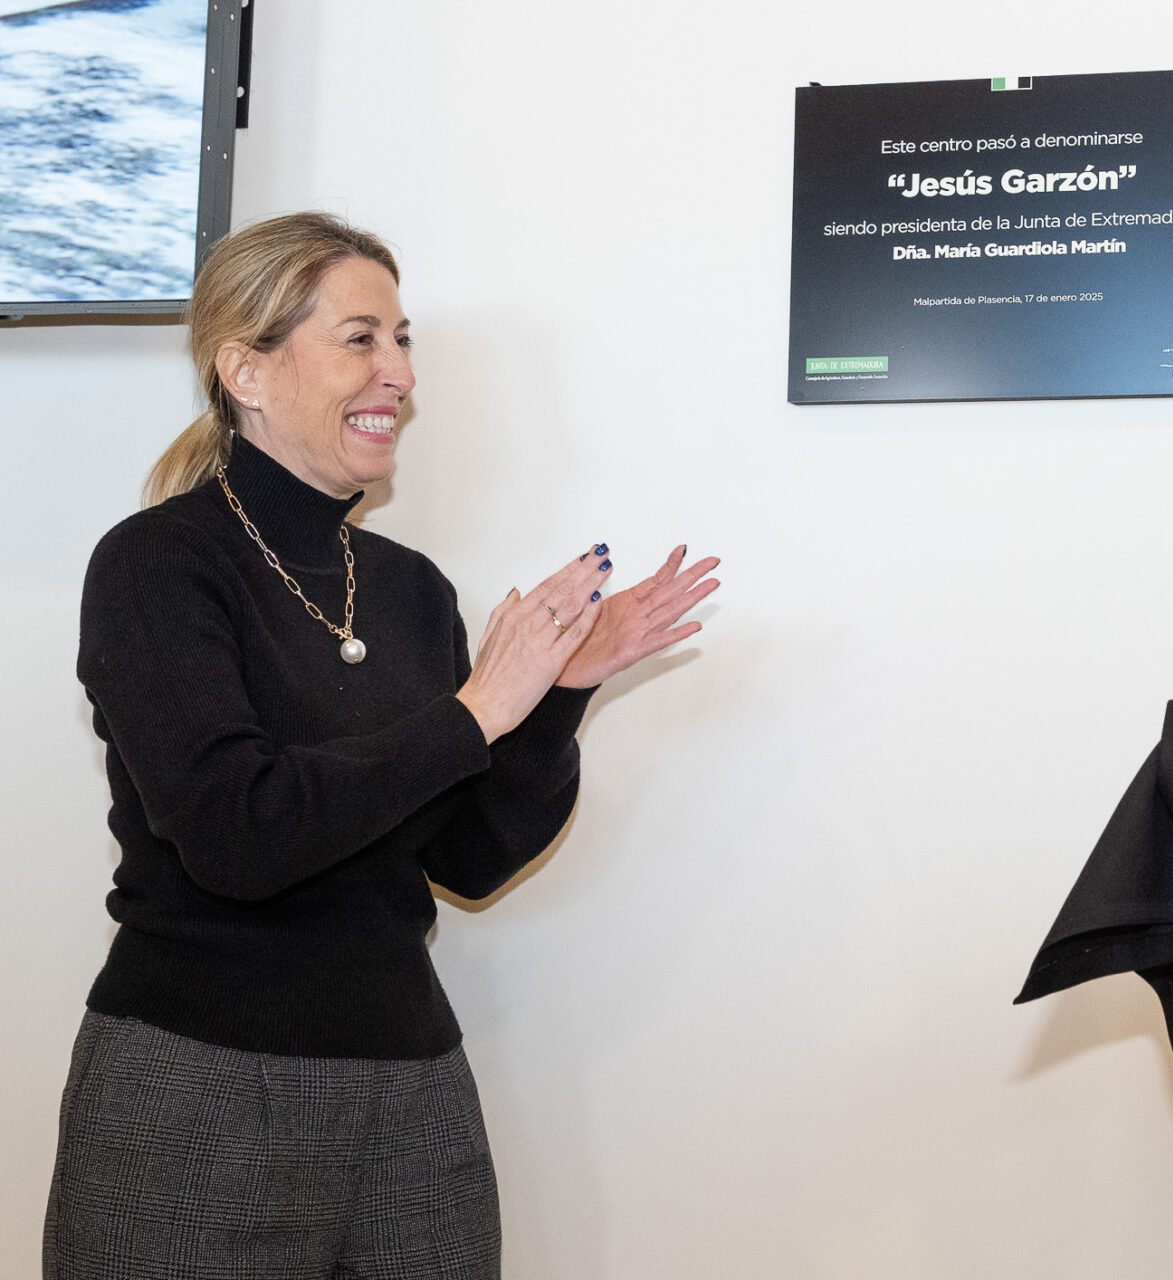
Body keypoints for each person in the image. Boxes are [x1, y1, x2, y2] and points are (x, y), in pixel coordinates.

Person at [44, 212, 720, 1279]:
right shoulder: (157, 567)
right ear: (246, 369)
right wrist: (474, 710)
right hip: (195, 1089)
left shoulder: (406, 587)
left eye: (404, 340)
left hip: (411, 1086)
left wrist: (555, 696)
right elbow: (238, 831)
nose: (398, 372)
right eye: (362, 338)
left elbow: (470, 856)